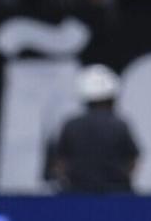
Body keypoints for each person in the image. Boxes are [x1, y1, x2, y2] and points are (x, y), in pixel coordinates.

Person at [49, 64, 139, 193]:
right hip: (115, 193)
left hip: (77, 193)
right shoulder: (119, 125)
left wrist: (67, 182)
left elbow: (60, 162)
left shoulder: (71, 125)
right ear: (112, 98)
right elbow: (132, 160)